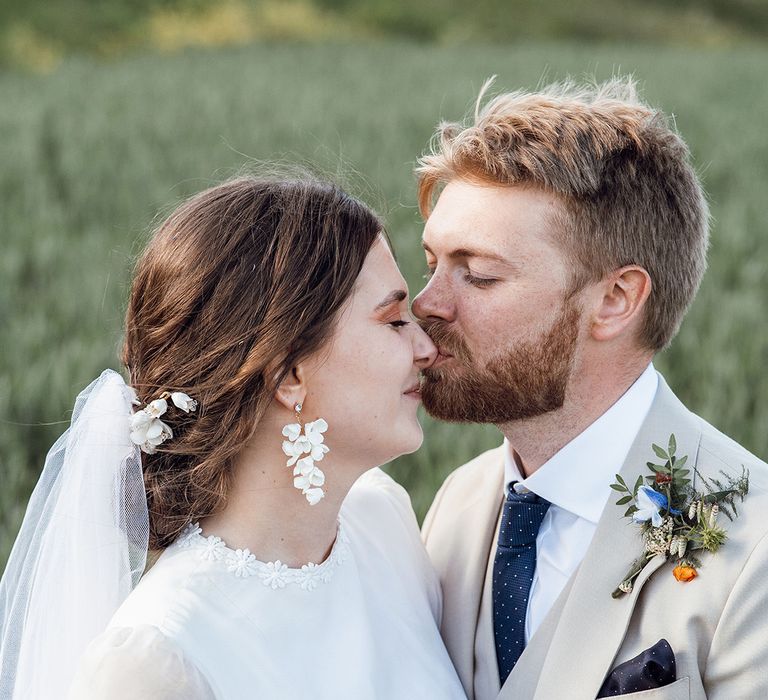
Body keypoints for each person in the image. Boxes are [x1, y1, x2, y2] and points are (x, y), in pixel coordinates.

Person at [0, 175, 468, 699]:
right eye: (394, 320)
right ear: (289, 374)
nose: (426, 347)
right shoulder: (155, 662)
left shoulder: (383, 521)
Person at [414, 78, 768, 700]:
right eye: (431, 264)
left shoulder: (753, 548)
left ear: (614, 300)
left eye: (478, 275)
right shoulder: (457, 502)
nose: (428, 304)